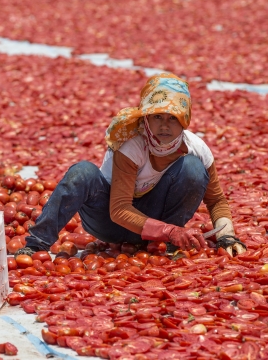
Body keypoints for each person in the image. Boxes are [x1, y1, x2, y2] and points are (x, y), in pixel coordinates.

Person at [16, 73, 246, 258]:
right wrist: (170, 231)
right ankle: (36, 245)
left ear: (185, 119)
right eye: (157, 116)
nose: (164, 125)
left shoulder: (197, 148)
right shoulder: (132, 146)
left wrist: (227, 236)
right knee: (82, 172)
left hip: (156, 224)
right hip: (108, 222)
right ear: (145, 117)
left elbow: (216, 200)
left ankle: (172, 246)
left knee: (193, 168)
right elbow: (119, 210)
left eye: (173, 118)